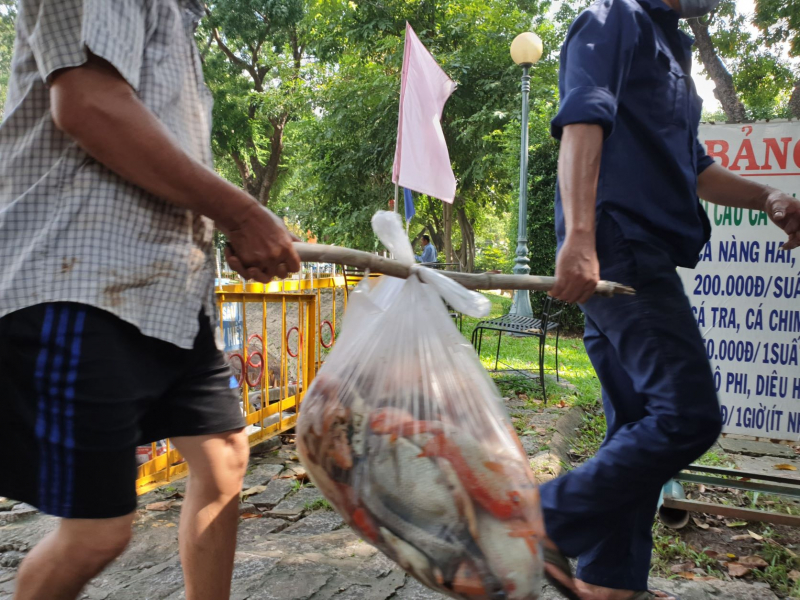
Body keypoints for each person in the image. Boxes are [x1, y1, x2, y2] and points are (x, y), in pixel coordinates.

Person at [0, 2, 300, 599]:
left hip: (172, 293)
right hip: (82, 277)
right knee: (96, 532)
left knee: (223, 463)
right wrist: (240, 213)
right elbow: (88, 102)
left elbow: (161, 161)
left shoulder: (178, 21)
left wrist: (233, 230)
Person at [541, 0, 800, 598]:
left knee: (638, 422)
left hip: (641, 248)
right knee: (688, 416)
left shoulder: (673, 51)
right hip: (618, 242)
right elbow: (583, 118)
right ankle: (532, 521)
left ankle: (610, 581)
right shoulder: (615, 18)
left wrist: (768, 198)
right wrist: (579, 239)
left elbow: (697, 169)